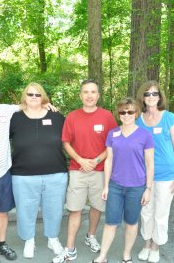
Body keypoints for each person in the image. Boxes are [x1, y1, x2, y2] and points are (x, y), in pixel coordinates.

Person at [0, 82, 56, 263]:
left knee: (2, 211)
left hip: (5, 173)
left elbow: (25, 105)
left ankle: (1, 243)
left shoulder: (4, 110)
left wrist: (43, 103)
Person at [52, 79, 118, 263]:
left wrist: (96, 160)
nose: (89, 95)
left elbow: (112, 144)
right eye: (86, 92)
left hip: (100, 170)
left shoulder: (107, 116)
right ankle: (70, 248)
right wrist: (81, 160)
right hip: (77, 170)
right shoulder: (72, 117)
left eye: (93, 92)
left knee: (97, 207)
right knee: (75, 209)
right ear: (80, 95)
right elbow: (65, 142)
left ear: (98, 95)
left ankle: (90, 236)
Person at [10, 82, 68, 259]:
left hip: (56, 174)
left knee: (54, 209)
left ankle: (52, 238)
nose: (34, 98)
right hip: (23, 175)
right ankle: (29, 240)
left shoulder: (57, 116)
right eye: (30, 94)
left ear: (43, 97)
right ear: (24, 97)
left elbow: (68, 141)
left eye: (37, 95)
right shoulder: (15, 118)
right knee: (25, 209)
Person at [92, 98, 154, 263]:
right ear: (118, 114)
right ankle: (102, 256)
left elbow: (150, 163)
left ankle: (126, 255)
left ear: (136, 113)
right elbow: (109, 160)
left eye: (130, 112)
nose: (126, 115)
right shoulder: (113, 134)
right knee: (110, 223)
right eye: (122, 112)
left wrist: (148, 188)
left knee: (131, 223)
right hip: (116, 186)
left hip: (137, 187)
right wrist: (106, 186)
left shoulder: (145, 135)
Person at [135, 80, 174, 263]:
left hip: (166, 175)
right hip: (145, 175)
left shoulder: (170, 118)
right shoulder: (138, 119)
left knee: (161, 213)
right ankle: (146, 244)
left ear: (160, 96)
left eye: (154, 93)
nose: (151, 97)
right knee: (146, 211)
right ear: (142, 97)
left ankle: (156, 246)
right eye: (147, 94)